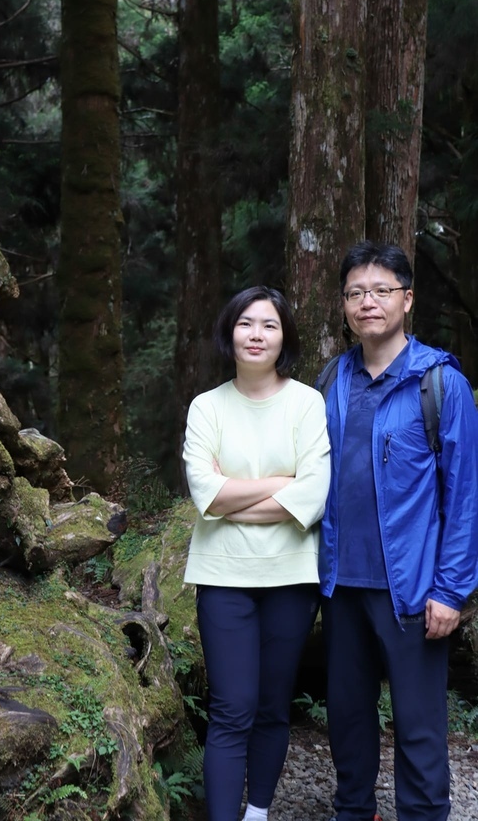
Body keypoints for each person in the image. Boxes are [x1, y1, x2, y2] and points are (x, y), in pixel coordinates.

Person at [318, 240, 478, 821]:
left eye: (381, 290)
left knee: (418, 728)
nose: (368, 302)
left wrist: (451, 589)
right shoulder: (333, 378)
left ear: (407, 300)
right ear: (344, 305)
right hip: (340, 586)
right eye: (356, 292)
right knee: (349, 722)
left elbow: (464, 498)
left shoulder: (440, 384)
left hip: (412, 589)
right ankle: (353, 813)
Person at [183, 285, 331, 821]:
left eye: (269, 325)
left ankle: (258, 813)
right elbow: (206, 494)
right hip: (223, 578)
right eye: (246, 323)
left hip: (292, 577)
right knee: (231, 710)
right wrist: (280, 484)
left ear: (284, 336)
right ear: (230, 332)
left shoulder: (307, 403)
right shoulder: (207, 407)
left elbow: (312, 497)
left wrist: (232, 498)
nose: (257, 334)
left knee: (272, 708)